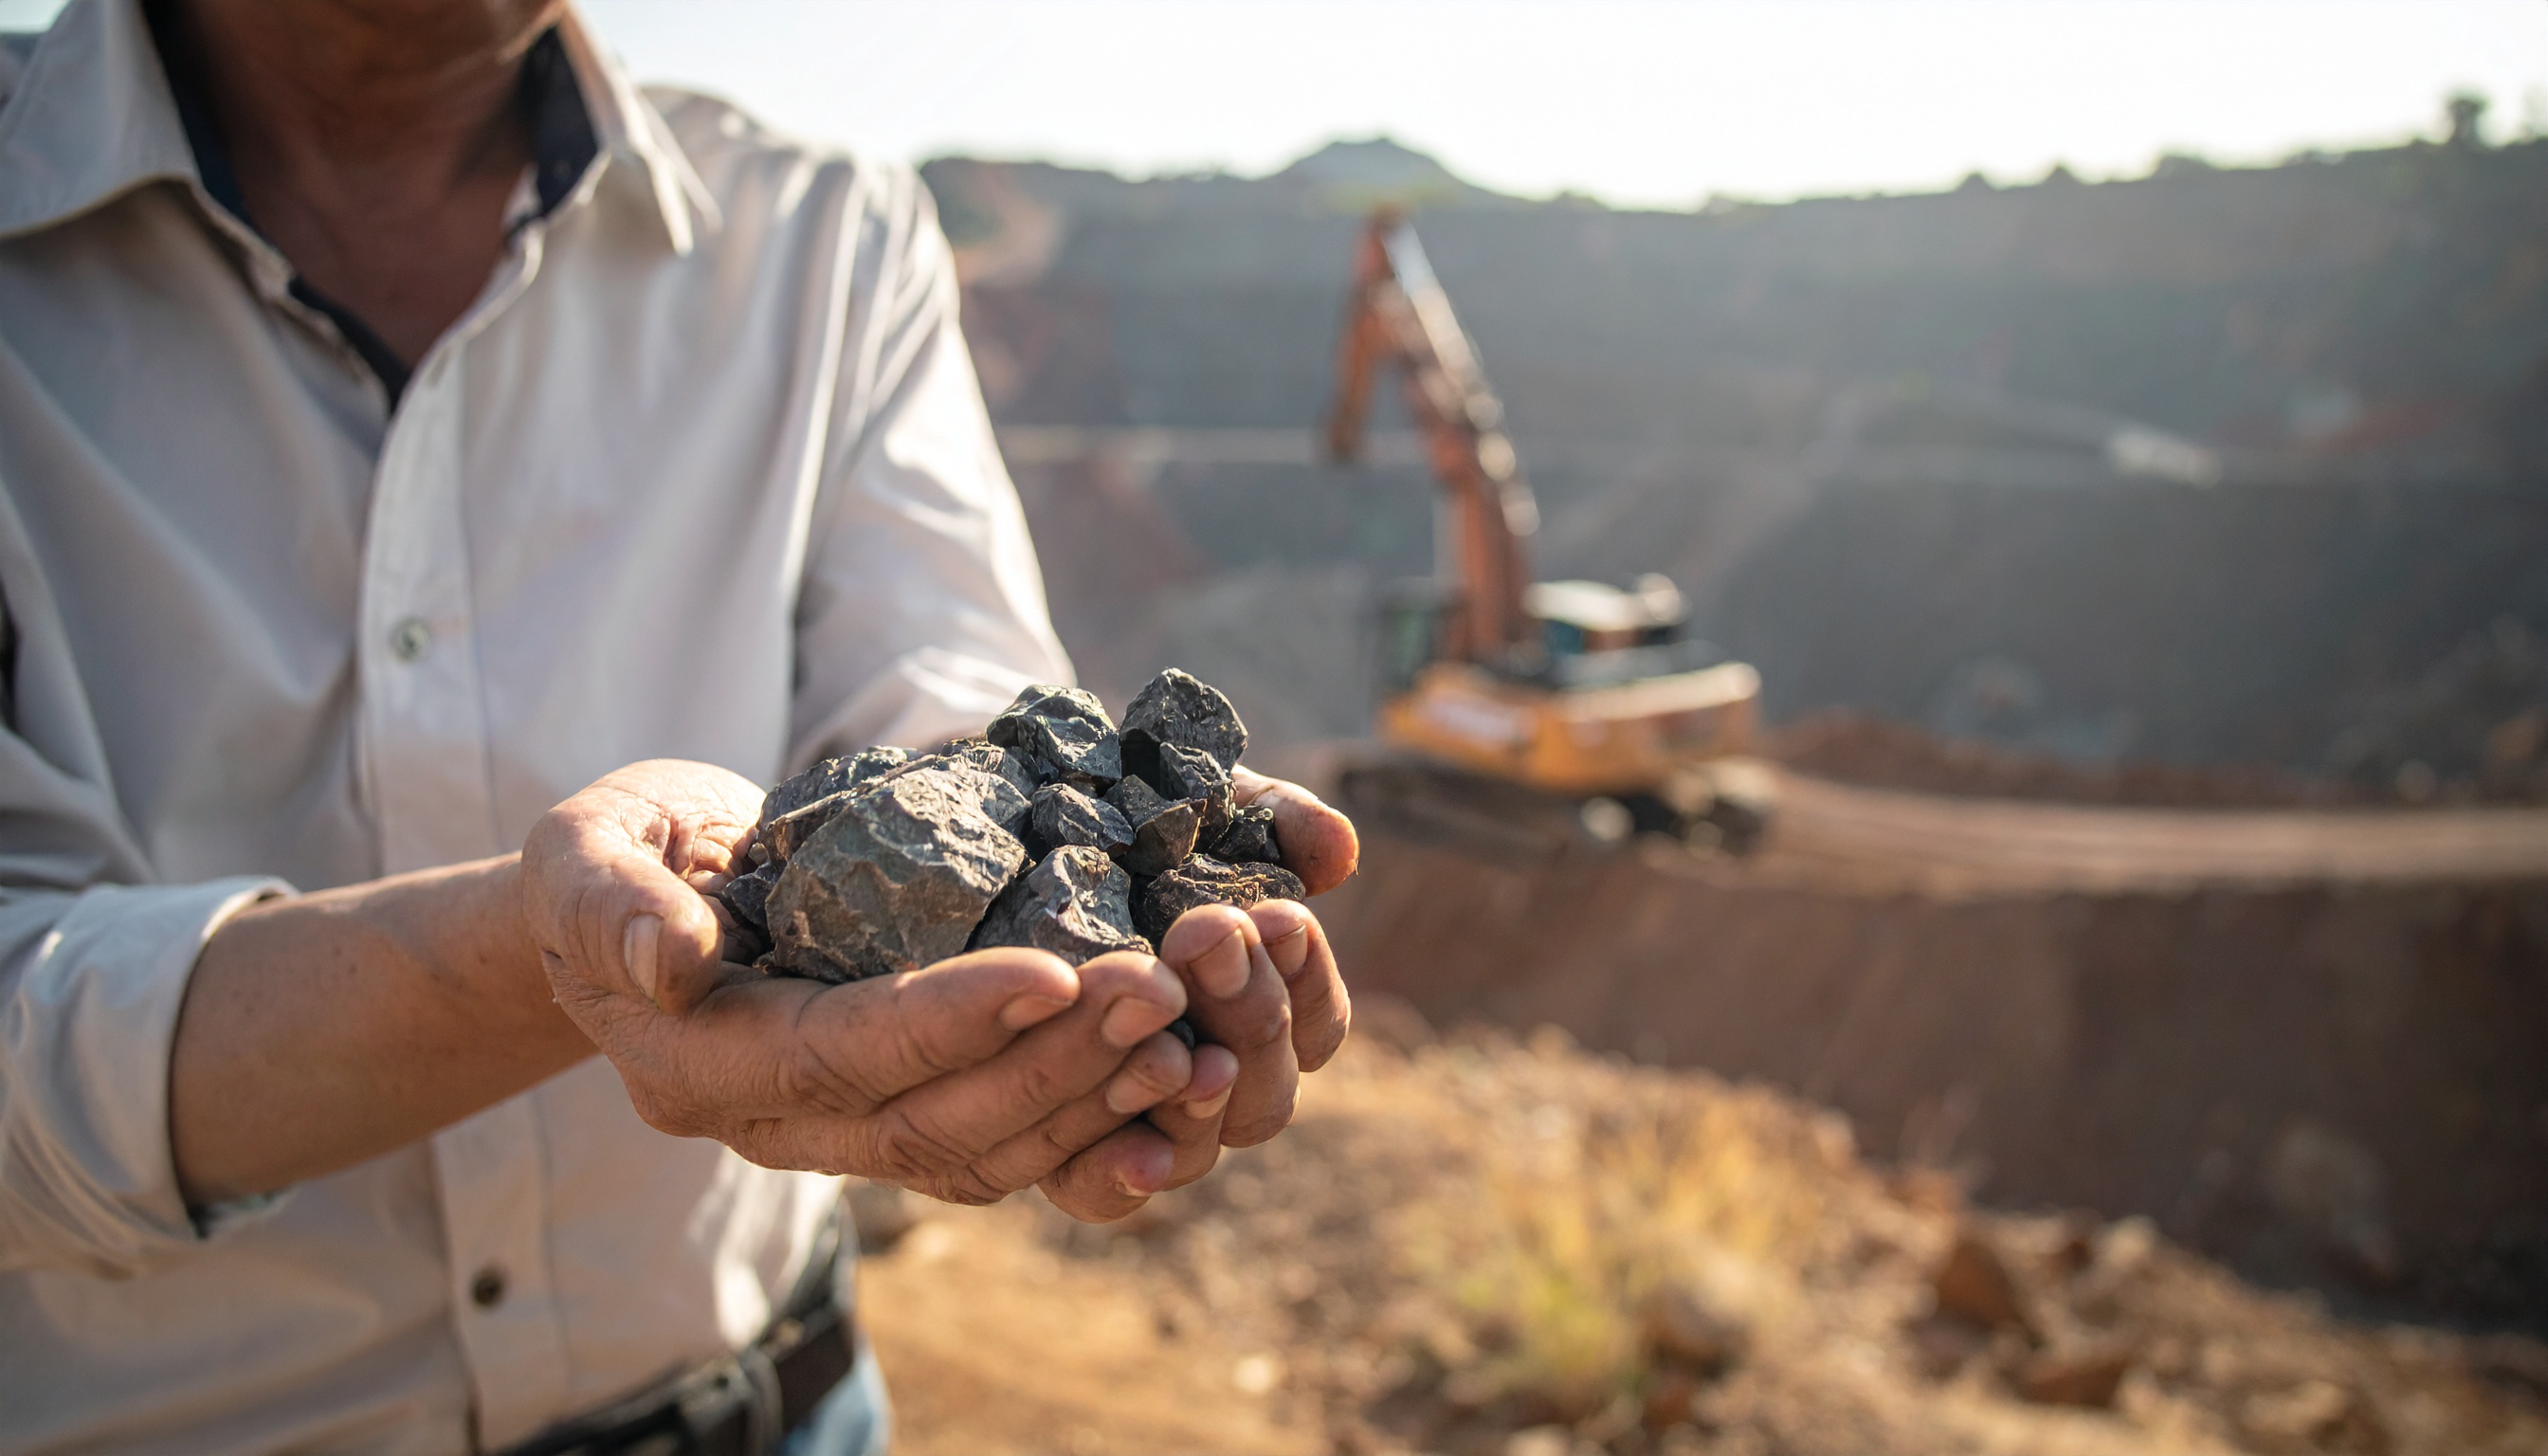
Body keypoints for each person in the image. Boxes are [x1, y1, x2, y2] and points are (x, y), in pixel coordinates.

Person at [0, 0, 1357, 1450]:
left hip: (783, 1410)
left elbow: (960, 713)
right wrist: (564, 950)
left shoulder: (824, 233)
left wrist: (1072, 916)